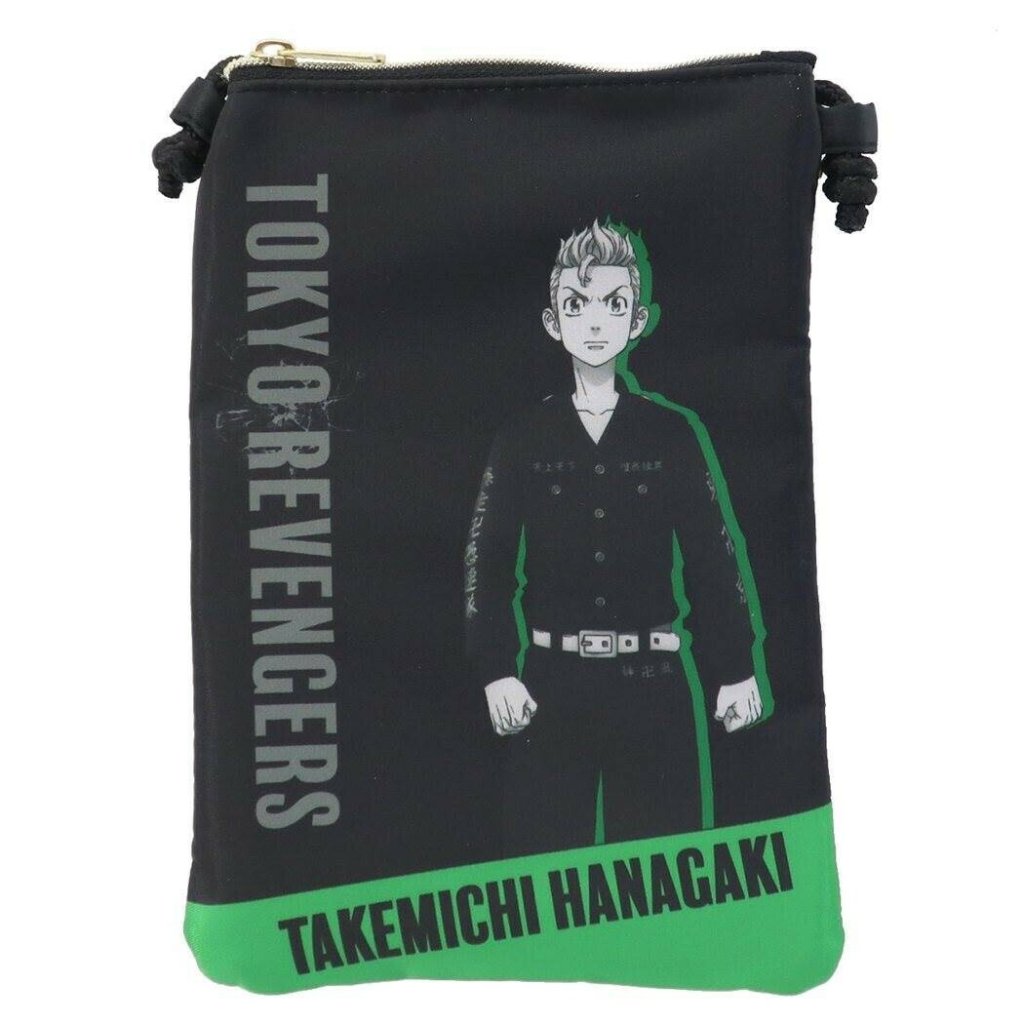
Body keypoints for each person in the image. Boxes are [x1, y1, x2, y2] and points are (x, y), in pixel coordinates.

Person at [463, 220, 765, 856]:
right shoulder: (522, 436)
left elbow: (712, 555)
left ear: (638, 320)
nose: (595, 321)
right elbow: (487, 563)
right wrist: (496, 671)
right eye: (577, 304)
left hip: (654, 685)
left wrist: (735, 668)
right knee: (544, 876)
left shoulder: (672, 433)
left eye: (614, 303)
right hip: (549, 688)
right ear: (553, 322)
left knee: (664, 876)